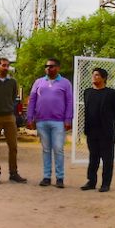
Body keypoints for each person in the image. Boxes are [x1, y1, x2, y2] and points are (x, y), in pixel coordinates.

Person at [27, 58, 73, 188]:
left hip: (58, 122)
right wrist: (30, 118)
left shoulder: (65, 83)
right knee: (46, 150)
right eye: (46, 66)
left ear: (58, 68)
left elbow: (69, 101)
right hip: (42, 121)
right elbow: (32, 100)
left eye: (51, 66)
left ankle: (60, 178)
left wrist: (68, 119)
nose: (48, 68)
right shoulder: (38, 82)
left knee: (58, 149)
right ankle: (46, 177)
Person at [80, 67, 115, 192]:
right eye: (93, 75)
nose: (94, 77)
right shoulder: (87, 92)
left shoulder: (111, 93)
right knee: (93, 158)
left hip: (106, 132)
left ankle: (105, 184)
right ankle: (91, 181)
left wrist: (108, 121)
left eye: (97, 75)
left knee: (107, 159)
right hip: (91, 131)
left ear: (104, 78)